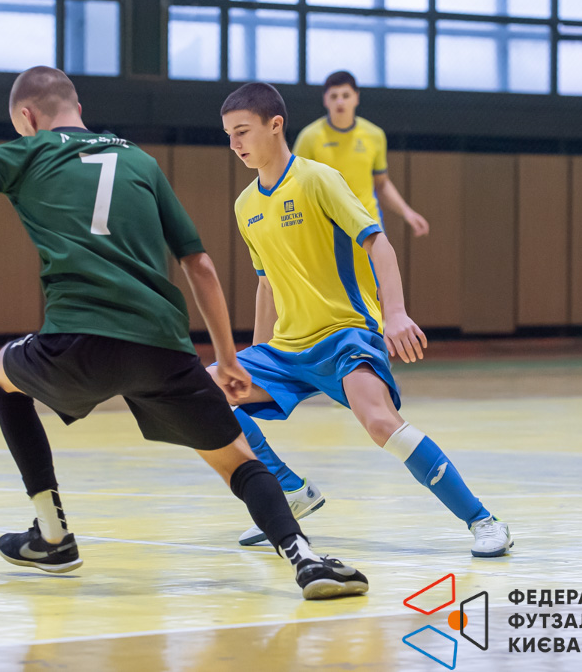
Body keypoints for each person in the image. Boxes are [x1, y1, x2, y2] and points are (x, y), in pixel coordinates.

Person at [0, 66, 369, 600]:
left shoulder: (27, 154)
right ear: (78, 106)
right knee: (237, 461)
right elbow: (200, 265)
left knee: (0, 375)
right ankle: (305, 558)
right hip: (163, 346)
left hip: (79, 339)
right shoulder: (139, 160)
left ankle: (52, 537)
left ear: (27, 118)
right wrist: (228, 358)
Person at [217, 81, 513, 558]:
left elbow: (378, 243)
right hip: (287, 348)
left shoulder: (318, 179)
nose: (234, 144)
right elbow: (266, 285)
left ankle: (483, 520)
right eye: (228, 134)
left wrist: (394, 314)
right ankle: (291, 491)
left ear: (275, 126)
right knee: (204, 394)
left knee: (380, 423)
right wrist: (253, 355)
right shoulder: (244, 205)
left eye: (242, 131)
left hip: (344, 335)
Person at [293, 70, 429, 237]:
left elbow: (381, 184)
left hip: (367, 223)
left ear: (356, 98)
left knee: (383, 255)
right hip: (325, 226)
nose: (340, 101)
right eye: (334, 96)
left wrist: (407, 212)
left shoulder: (374, 135)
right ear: (325, 100)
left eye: (345, 95)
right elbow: (295, 185)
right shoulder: (309, 137)